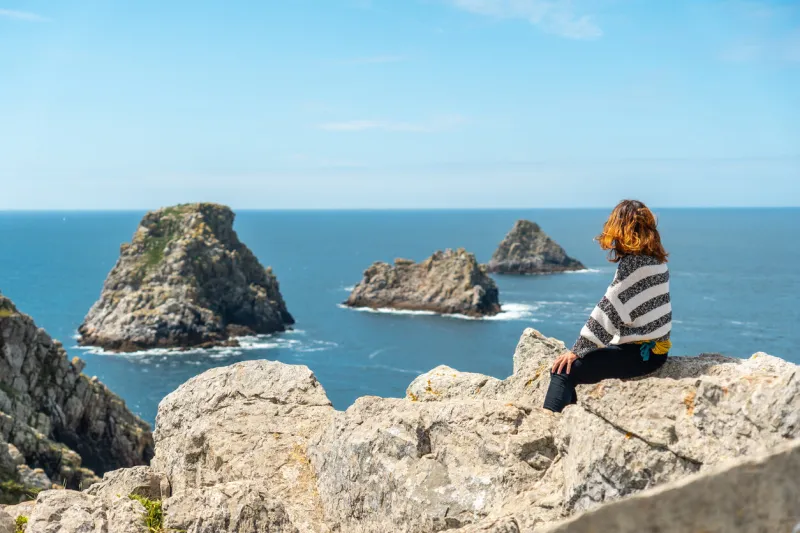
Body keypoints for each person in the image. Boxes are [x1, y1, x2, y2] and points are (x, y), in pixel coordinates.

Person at [543, 199, 672, 413]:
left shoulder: (633, 265)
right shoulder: (657, 261)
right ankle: (569, 421)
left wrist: (577, 350)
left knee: (564, 371)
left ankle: (546, 426)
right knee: (572, 368)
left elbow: (609, 310)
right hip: (654, 350)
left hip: (641, 355)